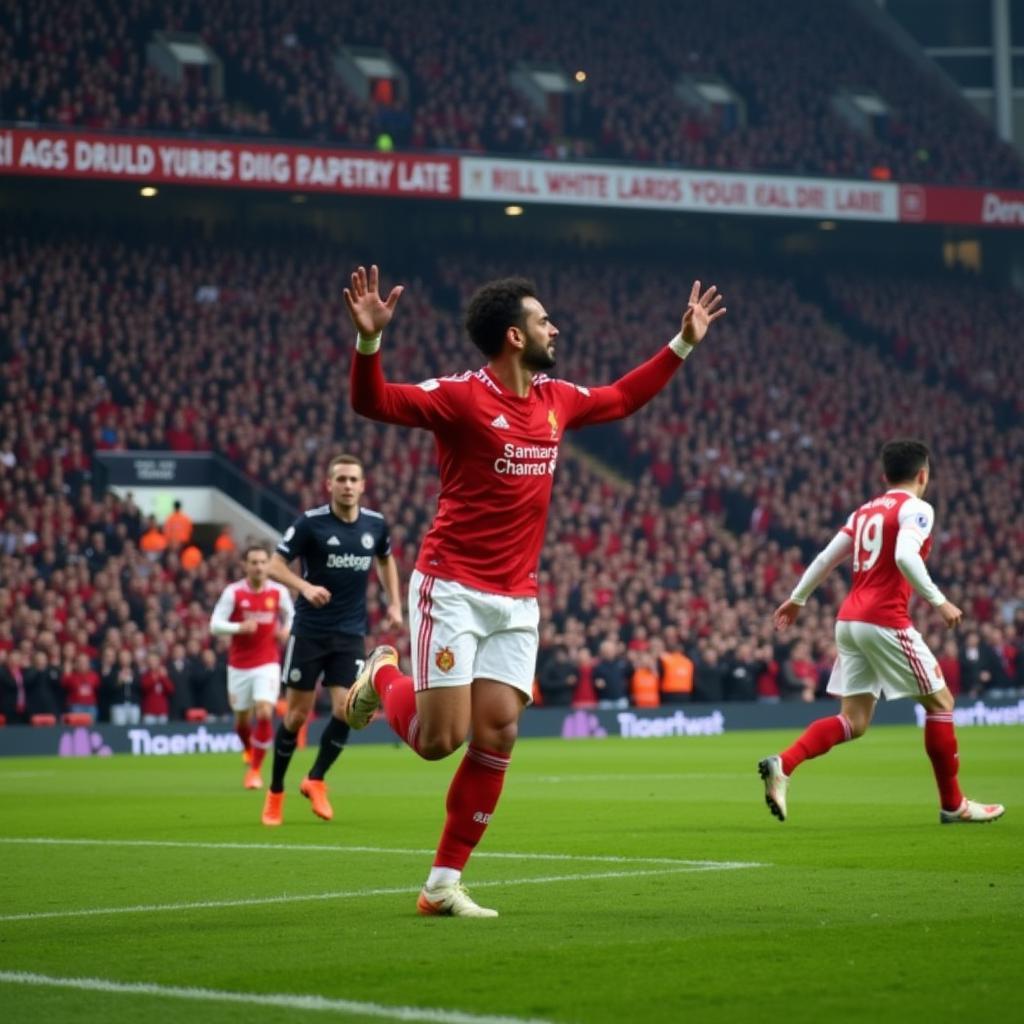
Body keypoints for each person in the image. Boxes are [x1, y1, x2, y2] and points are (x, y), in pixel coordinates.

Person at [342, 264, 725, 916]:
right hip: (452, 588)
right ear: (514, 336)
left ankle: (441, 887)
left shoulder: (556, 398)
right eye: (544, 319)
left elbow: (622, 398)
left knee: (499, 733)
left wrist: (682, 342)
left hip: (517, 598)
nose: (555, 326)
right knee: (439, 742)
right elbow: (373, 403)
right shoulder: (461, 398)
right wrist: (369, 342)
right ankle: (382, 673)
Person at [759, 439, 1004, 825]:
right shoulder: (917, 508)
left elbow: (825, 558)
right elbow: (905, 556)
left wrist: (797, 598)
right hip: (883, 620)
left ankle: (783, 764)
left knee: (854, 721)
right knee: (941, 704)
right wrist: (939, 601)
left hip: (849, 623)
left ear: (884, 475)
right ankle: (953, 804)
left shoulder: (863, 512)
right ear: (923, 474)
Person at [263, 453, 402, 825]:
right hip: (309, 632)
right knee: (296, 715)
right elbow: (274, 565)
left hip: (349, 633)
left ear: (363, 484)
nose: (347, 485)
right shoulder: (310, 524)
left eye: (353, 479)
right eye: (340, 479)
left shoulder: (375, 525)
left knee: (348, 711)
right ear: (329, 484)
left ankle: (316, 779)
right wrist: (304, 586)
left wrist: (394, 604)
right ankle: (275, 792)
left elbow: (386, 560)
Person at [210, 543, 294, 789]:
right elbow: (214, 624)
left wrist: (287, 630)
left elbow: (292, 615)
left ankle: (255, 771)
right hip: (239, 666)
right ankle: (248, 748)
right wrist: (238, 627)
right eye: (253, 562)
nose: (258, 567)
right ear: (245, 566)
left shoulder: (279, 592)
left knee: (265, 712)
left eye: (262, 562)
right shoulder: (233, 593)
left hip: (267, 663)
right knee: (242, 721)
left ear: (269, 565)